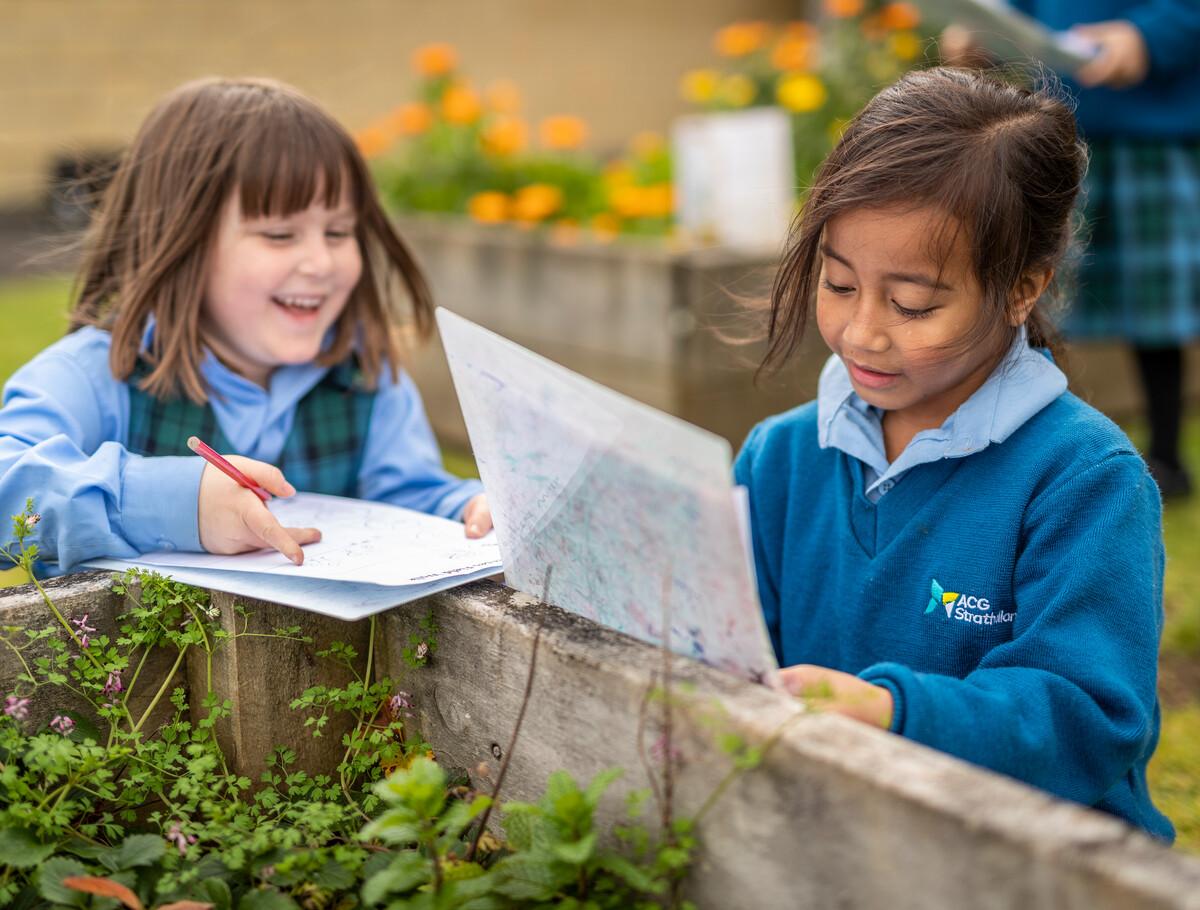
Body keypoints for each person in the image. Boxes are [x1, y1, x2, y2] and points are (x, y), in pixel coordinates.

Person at [734, 67, 1173, 840]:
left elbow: (1086, 714)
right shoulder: (780, 458)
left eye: (912, 304)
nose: (865, 332)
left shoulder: (1082, 479)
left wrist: (895, 712)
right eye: (839, 285)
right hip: (834, 845)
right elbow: (723, 644)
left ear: (1021, 289)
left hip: (1039, 868)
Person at [0, 77, 491, 575]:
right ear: (182, 240)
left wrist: (468, 509)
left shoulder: (367, 378)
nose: (321, 262)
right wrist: (175, 504)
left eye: (340, 232)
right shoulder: (96, 374)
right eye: (280, 234)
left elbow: (408, 493)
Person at [943, 1, 1200, 498]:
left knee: (1155, 310)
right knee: (1038, 301)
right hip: (1061, 132)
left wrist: (1146, 39)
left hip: (1154, 134)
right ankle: (1031, 453)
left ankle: (1166, 458)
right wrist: (984, 40)